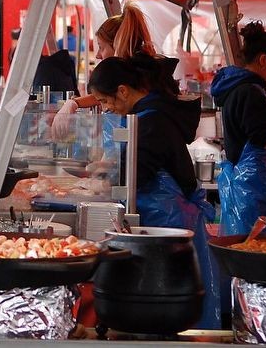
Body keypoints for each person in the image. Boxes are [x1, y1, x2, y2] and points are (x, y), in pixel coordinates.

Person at [88, 56, 219, 328]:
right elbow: (145, 160)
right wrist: (110, 166)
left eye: (105, 101)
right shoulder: (151, 113)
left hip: (167, 220)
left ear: (123, 90)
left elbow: (141, 173)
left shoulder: (151, 120)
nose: (107, 108)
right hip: (171, 218)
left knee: (167, 300)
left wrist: (103, 182)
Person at [52, 1, 178, 137]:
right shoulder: (145, 74)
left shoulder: (141, 89)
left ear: (117, 45)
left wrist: (73, 104)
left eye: (101, 47)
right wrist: (74, 103)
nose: (98, 55)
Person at [210, 21, 266, 234]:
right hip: (252, 188)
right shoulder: (250, 92)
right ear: (264, 60)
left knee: (244, 247)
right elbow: (264, 139)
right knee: (256, 249)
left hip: (245, 185)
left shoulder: (238, 87)